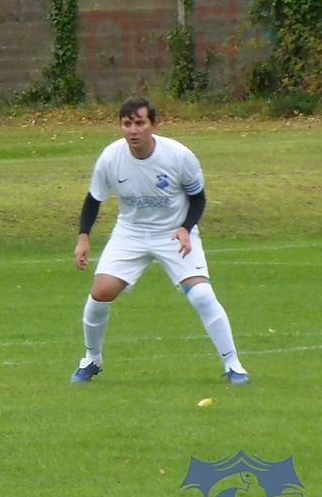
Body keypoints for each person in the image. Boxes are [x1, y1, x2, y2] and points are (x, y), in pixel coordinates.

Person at [70, 96, 248, 384]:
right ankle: (92, 359)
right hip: (131, 233)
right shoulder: (111, 158)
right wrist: (83, 237)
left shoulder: (178, 156)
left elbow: (198, 198)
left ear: (153, 125)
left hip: (173, 233)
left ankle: (233, 365)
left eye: (140, 123)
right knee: (100, 293)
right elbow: (93, 199)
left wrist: (186, 228)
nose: (133, 130)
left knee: (202, 295)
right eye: (127, 124)